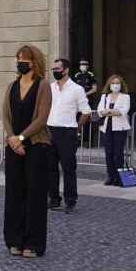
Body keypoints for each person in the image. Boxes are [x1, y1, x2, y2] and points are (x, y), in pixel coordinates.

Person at [2, 44, 52, 258]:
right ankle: (14, 239)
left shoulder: (43, 86)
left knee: (35, 194)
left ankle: (33, 243)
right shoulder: (11, 86)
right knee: (14, 194)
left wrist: (22, 138)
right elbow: (5, 114)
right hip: (14, 147)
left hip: (37, 146)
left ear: (34, 62)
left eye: (24, 59)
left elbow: (42, 118)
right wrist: (13, 139)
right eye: (18, 58)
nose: (20, 62)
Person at [47, 58, 91, 213]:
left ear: (66, 70)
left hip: (67, 132)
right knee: (50, 168)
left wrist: (77, 127)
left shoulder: (77, 89)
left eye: (58, 68)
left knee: (68, 168)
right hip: (50, 131)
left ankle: (70, 200)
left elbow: (86, 111)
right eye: (54, 69)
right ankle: (53, 199)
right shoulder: (49, 88)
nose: (55, 71)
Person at [97, 75, 131, 187]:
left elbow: (123, 111)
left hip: (120, 128)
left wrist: (109, 111)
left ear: (121, 85)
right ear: (109, 84)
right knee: (108, 153)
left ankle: (119, 177)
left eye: (117, 83)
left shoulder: (125, 97)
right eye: (113, 83)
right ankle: (110, 176)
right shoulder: (105, 96)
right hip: (107, 127)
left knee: (118, 153)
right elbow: (100, 111)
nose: (115, 85)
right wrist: (113, 111)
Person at [73, 59, 97, 147]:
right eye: (81, 65)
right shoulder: (77, 75)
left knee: (88, 121)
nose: (83, 66)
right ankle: (78, 140)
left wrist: (84, 94)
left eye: (84, 65)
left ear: (87, 66)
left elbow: (94, 89)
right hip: (77, 102)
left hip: (88, 101)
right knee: (78, 121)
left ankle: (89, 141)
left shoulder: (91, 75)